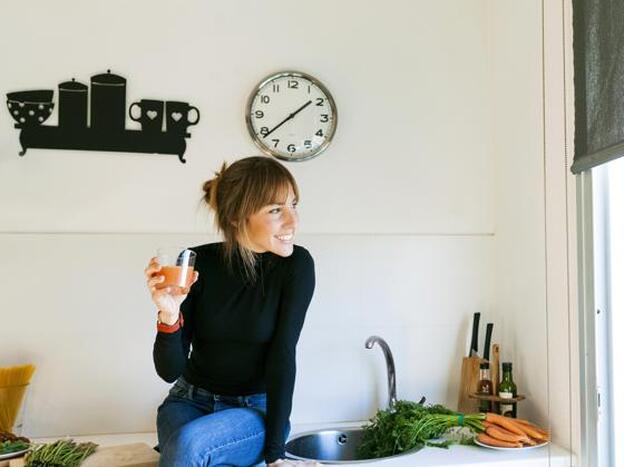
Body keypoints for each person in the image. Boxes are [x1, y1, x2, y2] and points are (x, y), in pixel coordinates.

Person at [144, 156, 320, 467]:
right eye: (276, 210)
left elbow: (282, 355)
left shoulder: (296, 266)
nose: (293, 222)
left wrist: (276, 456)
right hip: (187, 403)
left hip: (254, 414)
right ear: (239, 217)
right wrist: (169, 314)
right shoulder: (198, 261)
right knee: (190, 449)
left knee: (187, 446)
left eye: (294, 205)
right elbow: (169, 372)